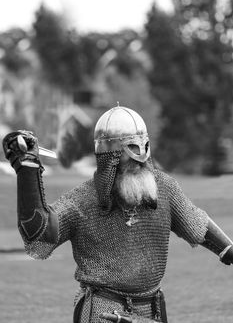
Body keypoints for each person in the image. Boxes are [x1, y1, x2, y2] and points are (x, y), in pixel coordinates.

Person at [2, 105, 233, 323]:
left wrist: (228, 250)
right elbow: (39, 231)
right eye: (130, 150)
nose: (139, 158)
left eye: (143, 149)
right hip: (103, 311)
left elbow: (197, 223)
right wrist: (27, 168)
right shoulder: (82, 200)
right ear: (108, 155)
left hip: (152, 308)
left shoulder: (163, 189)